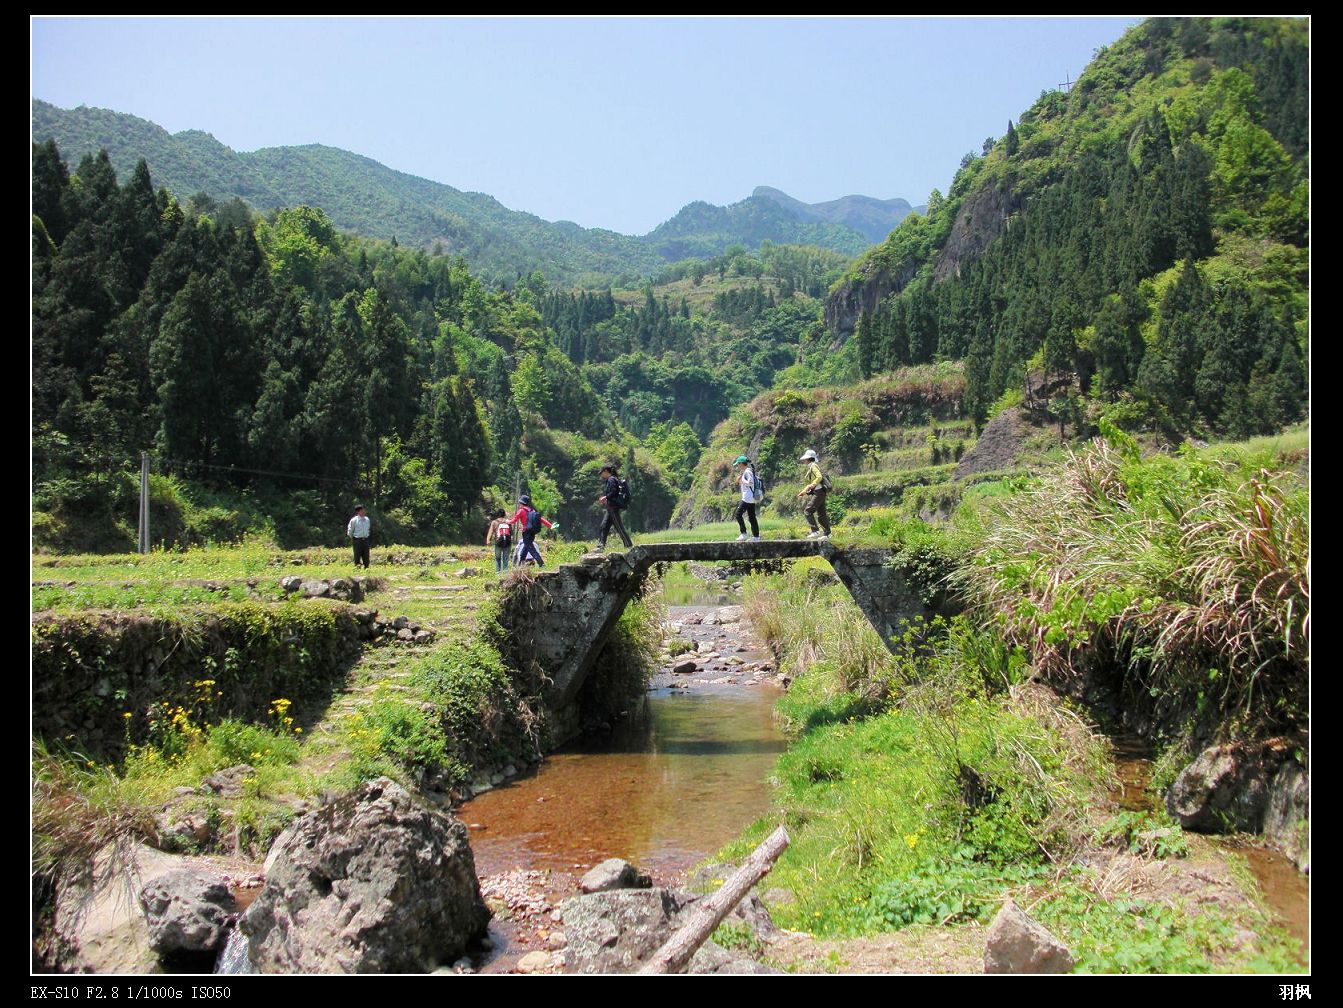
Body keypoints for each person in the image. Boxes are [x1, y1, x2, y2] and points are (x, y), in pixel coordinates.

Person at [508, 494, 557, 566]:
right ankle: (520, 564)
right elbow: (541, 519)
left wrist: (506, 521)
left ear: (521, 503)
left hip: (526, 532)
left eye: (519, 503)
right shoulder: (532, 511)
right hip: (532, 533)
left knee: (531, 549)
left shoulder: (521, 511)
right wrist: (550, 525)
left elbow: (513, 521)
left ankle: (541, 563)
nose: (519, 505)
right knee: (525, 548)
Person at [594, 465, 633, 551]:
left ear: (605, 471)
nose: (601, 475)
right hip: (610, 508)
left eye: (602, 473)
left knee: (619, 527)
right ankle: (601, 546)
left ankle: (628, 545)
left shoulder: (611, 480)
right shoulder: (612, 479)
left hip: (613, 508)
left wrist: (605, 497)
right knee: (603, 526)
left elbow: (613, 492)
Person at [795, 448, 831, 540]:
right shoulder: (811, 466)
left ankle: (815, 531)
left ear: (808, 459)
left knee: (808, 511)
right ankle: (827, 534)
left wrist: (812, 485)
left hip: (819, 493)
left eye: (805, 459)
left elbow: (819, 477)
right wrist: (804, 491)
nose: (804, 461)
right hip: (820, 492)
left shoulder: (813, 466)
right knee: (821, 514)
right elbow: (810, 484)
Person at [732, 455, 762, 541]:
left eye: (738, 464)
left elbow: (750, 482)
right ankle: (756, 537)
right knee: (752, 517)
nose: (737, 466)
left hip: (747, 498)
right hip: (751, 498)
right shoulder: (748, 471)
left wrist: (741, 480)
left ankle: (744, 534)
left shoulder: (747, 472)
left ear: (741, 463)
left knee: (738, 514)